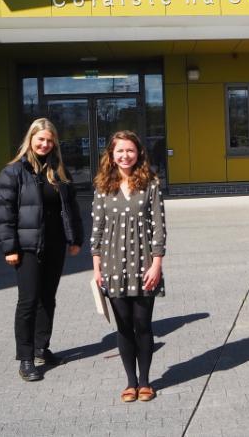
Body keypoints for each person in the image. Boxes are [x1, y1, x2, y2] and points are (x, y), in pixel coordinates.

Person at [0, 118, 83, 382]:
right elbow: (2, 213)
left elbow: (72, 208)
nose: (45, 144)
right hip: (28, 247)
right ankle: (26, 357)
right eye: (40, 139)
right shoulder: (13, 172)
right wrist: (9, 247)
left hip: (55, 245)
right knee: (28, 301)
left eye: (49, 140)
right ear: (30, 139)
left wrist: (75, 238)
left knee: (48, 298)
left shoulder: (59, 171)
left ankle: (42, 346)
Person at [91, 130, 167, 402]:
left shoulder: (151, 184)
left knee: (143, 325)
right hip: (112, 267)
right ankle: (130, 382)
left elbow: (159, 226)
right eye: (119, 151)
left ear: (138, 153)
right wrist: (97, 269)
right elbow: (97, 230)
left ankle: (145, 381)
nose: (125, 155)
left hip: (143, 266)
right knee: (123, 327)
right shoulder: (103, 185)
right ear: (111, 155)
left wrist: (156, 264)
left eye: (130, 150)